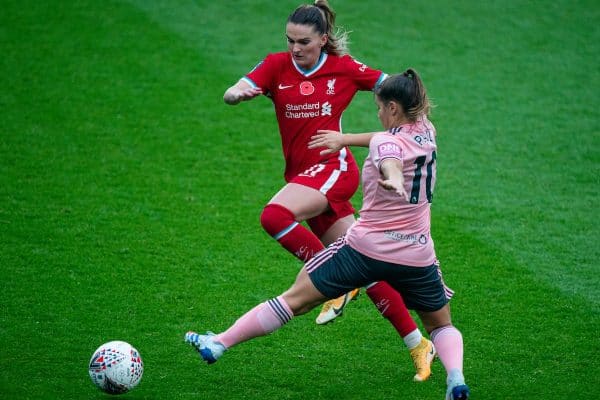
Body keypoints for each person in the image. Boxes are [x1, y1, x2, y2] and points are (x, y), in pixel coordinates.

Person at [187, 69, 470, 400]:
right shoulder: (426, 131)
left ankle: (219, 343)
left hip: (364, 252)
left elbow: (389, 154)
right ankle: (456, 379)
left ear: (393, 108)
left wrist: (392, 177)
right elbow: (390, 137)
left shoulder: (384, 145)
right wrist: (345, 138)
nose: (377, 114)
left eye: (380, 107)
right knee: (440, 325)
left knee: (293, 301)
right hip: (417, 256)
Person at [222, 0, 434, 381]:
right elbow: (239, 85)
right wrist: (238, 93)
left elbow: (396, 88)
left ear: (323, 39)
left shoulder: (343, 68)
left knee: (274, 216)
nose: (295, 48)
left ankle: (333, 280)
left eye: (303, 41)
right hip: (303, 176)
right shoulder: (276, 65)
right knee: (369, 271)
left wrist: (415, 124)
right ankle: (418, 343)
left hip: (334, 169)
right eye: (290, 40)